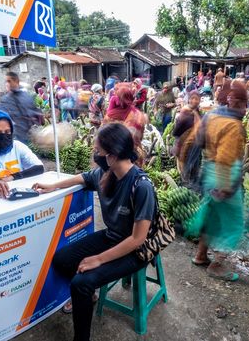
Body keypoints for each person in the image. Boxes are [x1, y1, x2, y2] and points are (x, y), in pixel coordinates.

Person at [32, 123, 156, 341]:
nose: (95, 155)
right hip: (112, 237)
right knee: (61, 259)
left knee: (81, 284)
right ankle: (88, 297)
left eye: (98, 151)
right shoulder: (106, 172)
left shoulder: (141, 185)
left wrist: (98, 259)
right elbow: (83, 177)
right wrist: (53, 186)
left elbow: (138, 239)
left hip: (134, 250)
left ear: (114, 154)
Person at [188, 83, 248, 281]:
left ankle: (200, 255)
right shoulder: (233, 126)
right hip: (224, 174)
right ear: (238, 102)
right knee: (231, 223)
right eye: (245, 104)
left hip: (210, 171)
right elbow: (226, 158)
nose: (246, 109)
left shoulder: (212, 115)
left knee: (211, 216)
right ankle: (217, 264)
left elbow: (198, 138)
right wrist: (226, 188)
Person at [104, 83, 148, 164]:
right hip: (129, 158)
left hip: (120, 159)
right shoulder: (138, 115)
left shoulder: (111, 116)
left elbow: (128, 142)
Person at [0, 72, 43, 143]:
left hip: (27, 135)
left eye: (9, 81)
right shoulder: (5, 99)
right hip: (13, 137)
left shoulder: (26, 96)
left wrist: (38, 115)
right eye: (6, 81)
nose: (7, 84)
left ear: (16, 81)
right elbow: (1, 115)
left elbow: (33, 110)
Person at [172, 92, 202, 186]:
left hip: (195, 144)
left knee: (193, 166)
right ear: (189, 99)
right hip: (185, 144)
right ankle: (187, 186)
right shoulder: (186, 111)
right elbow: (178, 129)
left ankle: (192, 186)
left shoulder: (197, 111)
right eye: (192, 98)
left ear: (199, 100)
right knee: (186, 166)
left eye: (196, 99)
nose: (194, 101)